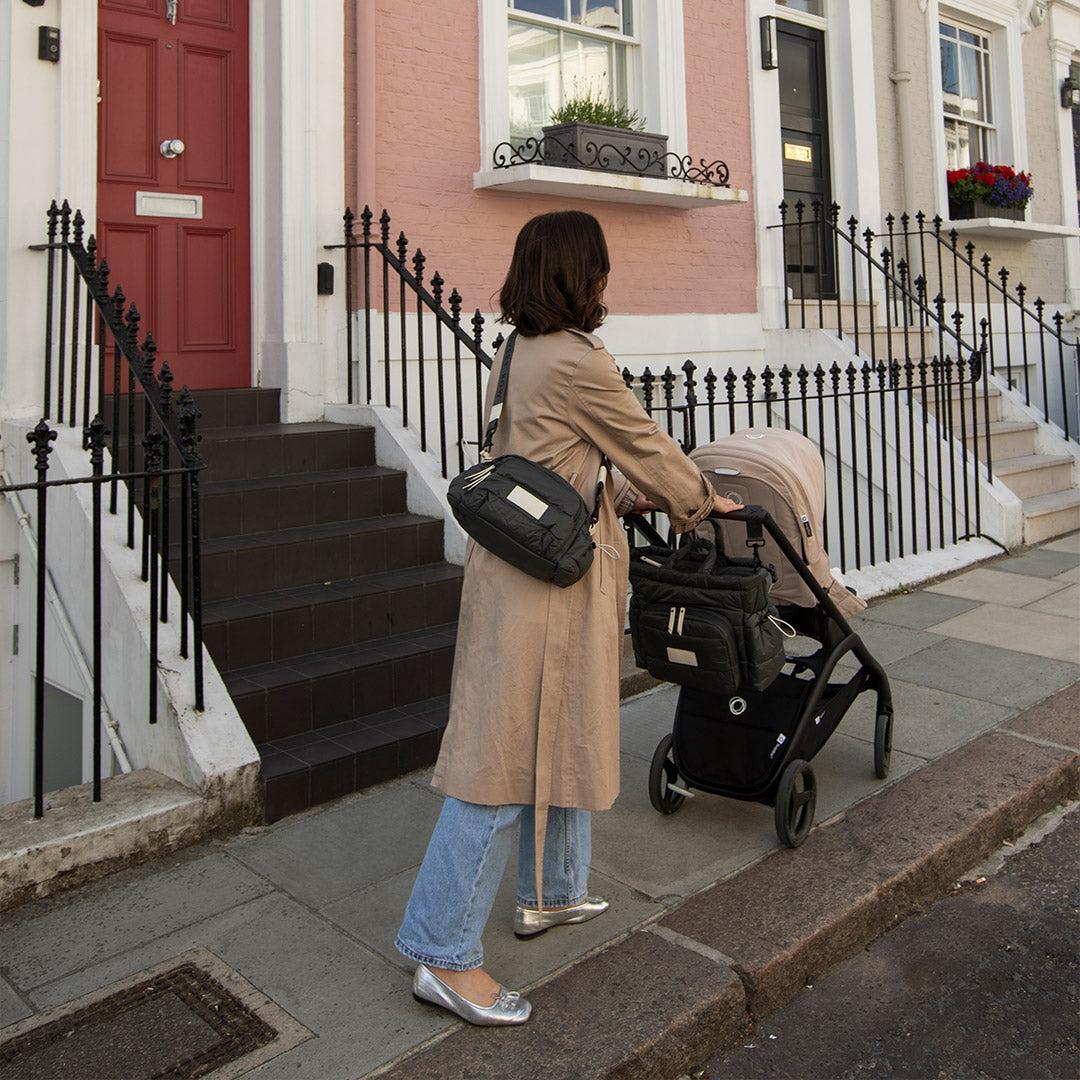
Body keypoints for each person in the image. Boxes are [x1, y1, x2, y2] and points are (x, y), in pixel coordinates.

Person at [396, 210, 741, 1025]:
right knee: (499, 758)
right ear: (578, 274)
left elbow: (549, 462)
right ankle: (440, 953)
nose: (605, 280)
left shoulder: (519, 349)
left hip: (521, 571)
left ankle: (550, 893)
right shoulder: (580, 359)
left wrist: (623, 494)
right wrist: (696, 500)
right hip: (542, 590)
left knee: (561, 728)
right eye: (599, 267)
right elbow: (642, 439)